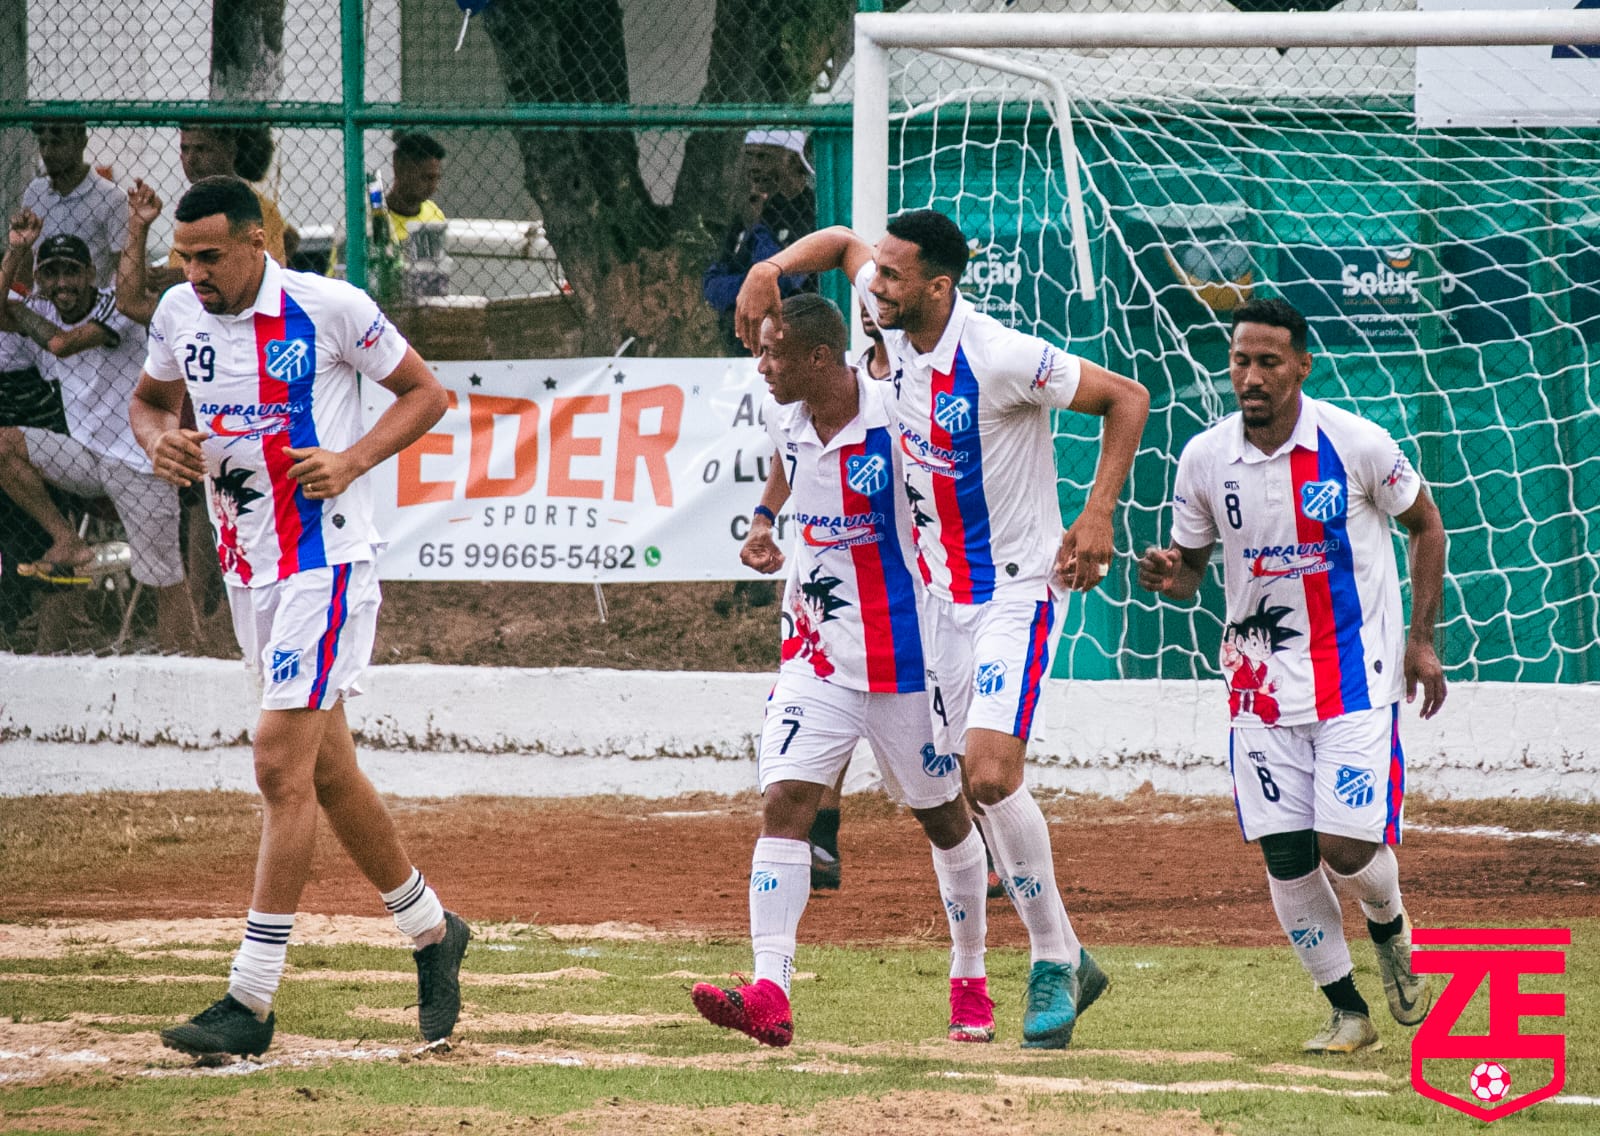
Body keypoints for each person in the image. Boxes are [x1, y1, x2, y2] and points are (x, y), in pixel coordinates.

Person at [734, 209, 1150, 1048]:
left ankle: (1045, 962)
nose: (872, 283)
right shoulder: (885, 317)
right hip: (935, 606)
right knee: (965, 791)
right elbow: (843, 242)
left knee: (990, 775)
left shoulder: (998, 357)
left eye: (891, 276)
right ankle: (1068, 953)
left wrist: (1099, 514)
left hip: (1015, 590)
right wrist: (768, 268)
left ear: (938, 287)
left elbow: (1126, 398)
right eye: (876, 273)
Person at [128, 175, 466, 1059]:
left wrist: (353, 460)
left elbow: (427, 395)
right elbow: (150, 403)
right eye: (183, 258)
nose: (194, 273)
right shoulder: (177, 314)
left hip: (325, 560)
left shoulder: (330, 307)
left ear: (256, 243)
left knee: (278, 764)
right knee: (327, 775)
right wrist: (155, 440)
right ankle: (432, 930)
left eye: (209, 256)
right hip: (249, 570)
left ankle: (250, 1000)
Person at [1135, 297, 1444, 1054]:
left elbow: (1427, 526)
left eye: (1269, 361)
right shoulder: (1204, 458)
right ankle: (1347, 1011)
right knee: (1285, 852)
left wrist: (1423, 641)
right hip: (1259, 687)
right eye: (1241, 359)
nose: (1252, 375)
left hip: (1356, 677)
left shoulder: (1357, 443)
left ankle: (1390, 924)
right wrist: (1171, 574)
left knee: (1343, 846)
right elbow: (1194, 570)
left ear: (1303, 365)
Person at [692, 294, 995, 1048]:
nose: (760, 366)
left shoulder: (897, 421)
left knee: (943, 816)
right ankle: (771, 990)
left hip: (905, 660)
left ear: (820, 358)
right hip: (817, 653)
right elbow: (787, 465)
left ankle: (970, 976)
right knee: (787, 800)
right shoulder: (787, 415)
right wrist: (765, 523)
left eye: (772, 353)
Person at [0, 219, 194, 651]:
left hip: (137, 460)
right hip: (84, 457)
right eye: (51, 273)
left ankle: (181, 659)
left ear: (91, 274)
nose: (63, 283)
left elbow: (65, 345)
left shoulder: (113, 306)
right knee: (3, 445)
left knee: (165, 579)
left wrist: (23, 315)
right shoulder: (44, 309)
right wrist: (15, 251)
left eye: (72, 271)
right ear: (39, 278)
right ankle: (68, 541)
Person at [703, 129, 817, 355]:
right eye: (750, 156)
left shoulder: (810, 211)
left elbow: (786, 281)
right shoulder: (750, 211)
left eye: (763, 157)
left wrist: (757, 230)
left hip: (792, 341)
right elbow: (712, 286)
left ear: (793, 160)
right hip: (741, 345)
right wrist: (751, 287)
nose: (754, 166)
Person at [21, 121, 129, 288]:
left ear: (81, 142)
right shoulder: (35, 191)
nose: (47, 152)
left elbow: (123, 266)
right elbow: (26, 258)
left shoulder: (111, 198)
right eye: (42, 143)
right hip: (43, 306)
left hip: (89, 308)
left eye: (57, 143)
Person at [385, 132, 447, 244]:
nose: (434, 186)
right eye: (427, 177)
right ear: (400, 169)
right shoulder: (376, 218)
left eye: (437, 178)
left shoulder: (434, 214)